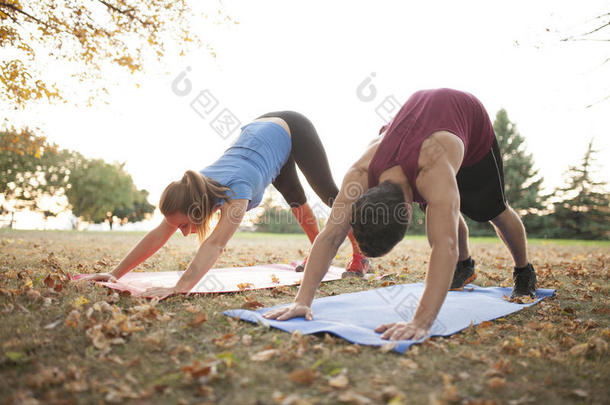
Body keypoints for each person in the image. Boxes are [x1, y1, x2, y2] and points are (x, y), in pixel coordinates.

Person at [263, 89, 538, 341]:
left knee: (491, 211)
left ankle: (524, 271)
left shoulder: (433, 170)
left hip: (467, 119)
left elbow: (445, 245)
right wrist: (302, 301)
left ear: (407, 209)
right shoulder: (359, 174)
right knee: (441, 207)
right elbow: (330, 237)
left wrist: (420, 322)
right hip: (416, 131)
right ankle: (465, 267)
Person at [77, 111, 369, 298]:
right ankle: (314, 254)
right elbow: (158, 234)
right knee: (297, 203)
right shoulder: (194, 190)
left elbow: (215, 245)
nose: (182, 232)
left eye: (184, 225)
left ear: (198, 209)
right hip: (263, 142)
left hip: (291, 127)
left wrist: (180, 287)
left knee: (331, 195)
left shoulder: (235, 192)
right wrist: (115, 273)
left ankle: (360, 256)